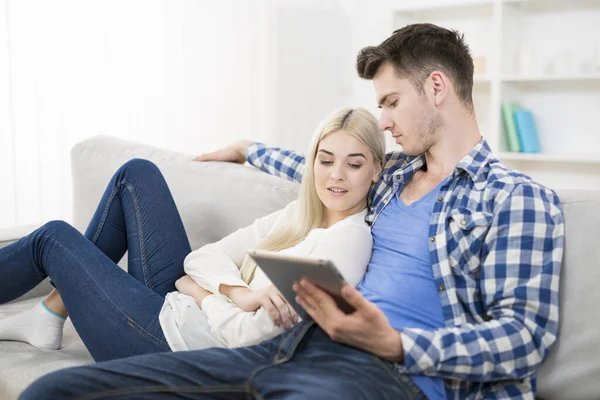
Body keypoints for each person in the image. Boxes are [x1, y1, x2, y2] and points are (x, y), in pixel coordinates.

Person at [19, 23, 564, 400]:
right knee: (54, 389)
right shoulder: (392, 174)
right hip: (289, 346)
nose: (386, 120)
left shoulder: (516, 199)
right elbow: (329, 167)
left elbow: (524, 336)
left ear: (438, 87)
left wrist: (394, 343)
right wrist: (249, 149)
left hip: (387, 375)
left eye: (392, 101)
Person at [0, 107, 384, 361]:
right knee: (136, 175)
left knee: (54, 238)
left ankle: (49, 313)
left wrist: (200, 292)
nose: (336, 175)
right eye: (326, 159)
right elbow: (201, 259)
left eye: (354, 164)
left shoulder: (348, 241)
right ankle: (51, 312)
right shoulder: (300, 214)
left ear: (377, 171)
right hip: (178, 309)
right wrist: (240, 293)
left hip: (169, 344)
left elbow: (246, 337)